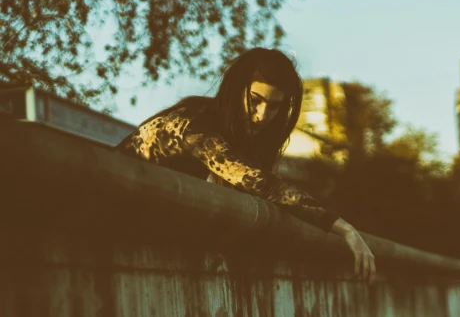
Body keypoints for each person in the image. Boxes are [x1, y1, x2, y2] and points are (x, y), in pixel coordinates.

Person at [115, 47, 375, 284]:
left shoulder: (232, 134)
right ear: (235, 90)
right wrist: (346, 229)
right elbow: (260, 183)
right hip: (106, 212)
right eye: (255, 100)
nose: (262, 115)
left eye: (274, 107)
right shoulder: (194, 126)